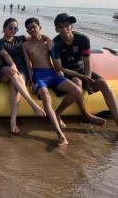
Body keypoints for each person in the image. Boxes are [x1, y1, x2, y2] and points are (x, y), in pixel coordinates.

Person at [22, 17, 83, 147]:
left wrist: (59, 70)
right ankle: (60, 135)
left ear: (40, 27)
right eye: (29, 28)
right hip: (38, 75)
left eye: (34, 27)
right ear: (27, 30)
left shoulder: (48, 42)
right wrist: (31, 80)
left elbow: (56, 58)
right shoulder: (26, 45)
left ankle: (57, 113)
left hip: (52, 73)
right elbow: (28, 65)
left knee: (77, 91)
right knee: (45, 96)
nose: (32, 29)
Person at [52, 13, 118, 127]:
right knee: (77, 83)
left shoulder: (83, 39)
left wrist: (87, 78)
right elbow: (59, 68)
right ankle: (85, 113)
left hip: (82, 70)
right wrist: (83, 78)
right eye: (61, 26)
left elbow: (87, 62)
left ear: (71, 27)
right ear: (56, 29)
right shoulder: (55, 43)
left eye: (67, 25)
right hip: (67, 72)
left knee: (103, 83)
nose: (65, 29)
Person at [0, 18, 46, 133]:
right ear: (4, 28)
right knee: (12, 72)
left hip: (21, 71)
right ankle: (32, 104)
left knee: (15, 88)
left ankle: (13, 121)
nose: (13, 30)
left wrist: (49, 39)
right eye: (10, 27)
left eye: (16, 28)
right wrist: (13, 65)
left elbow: (38, 36)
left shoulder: (21, 39)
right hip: (5, 70)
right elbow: (4, 55)